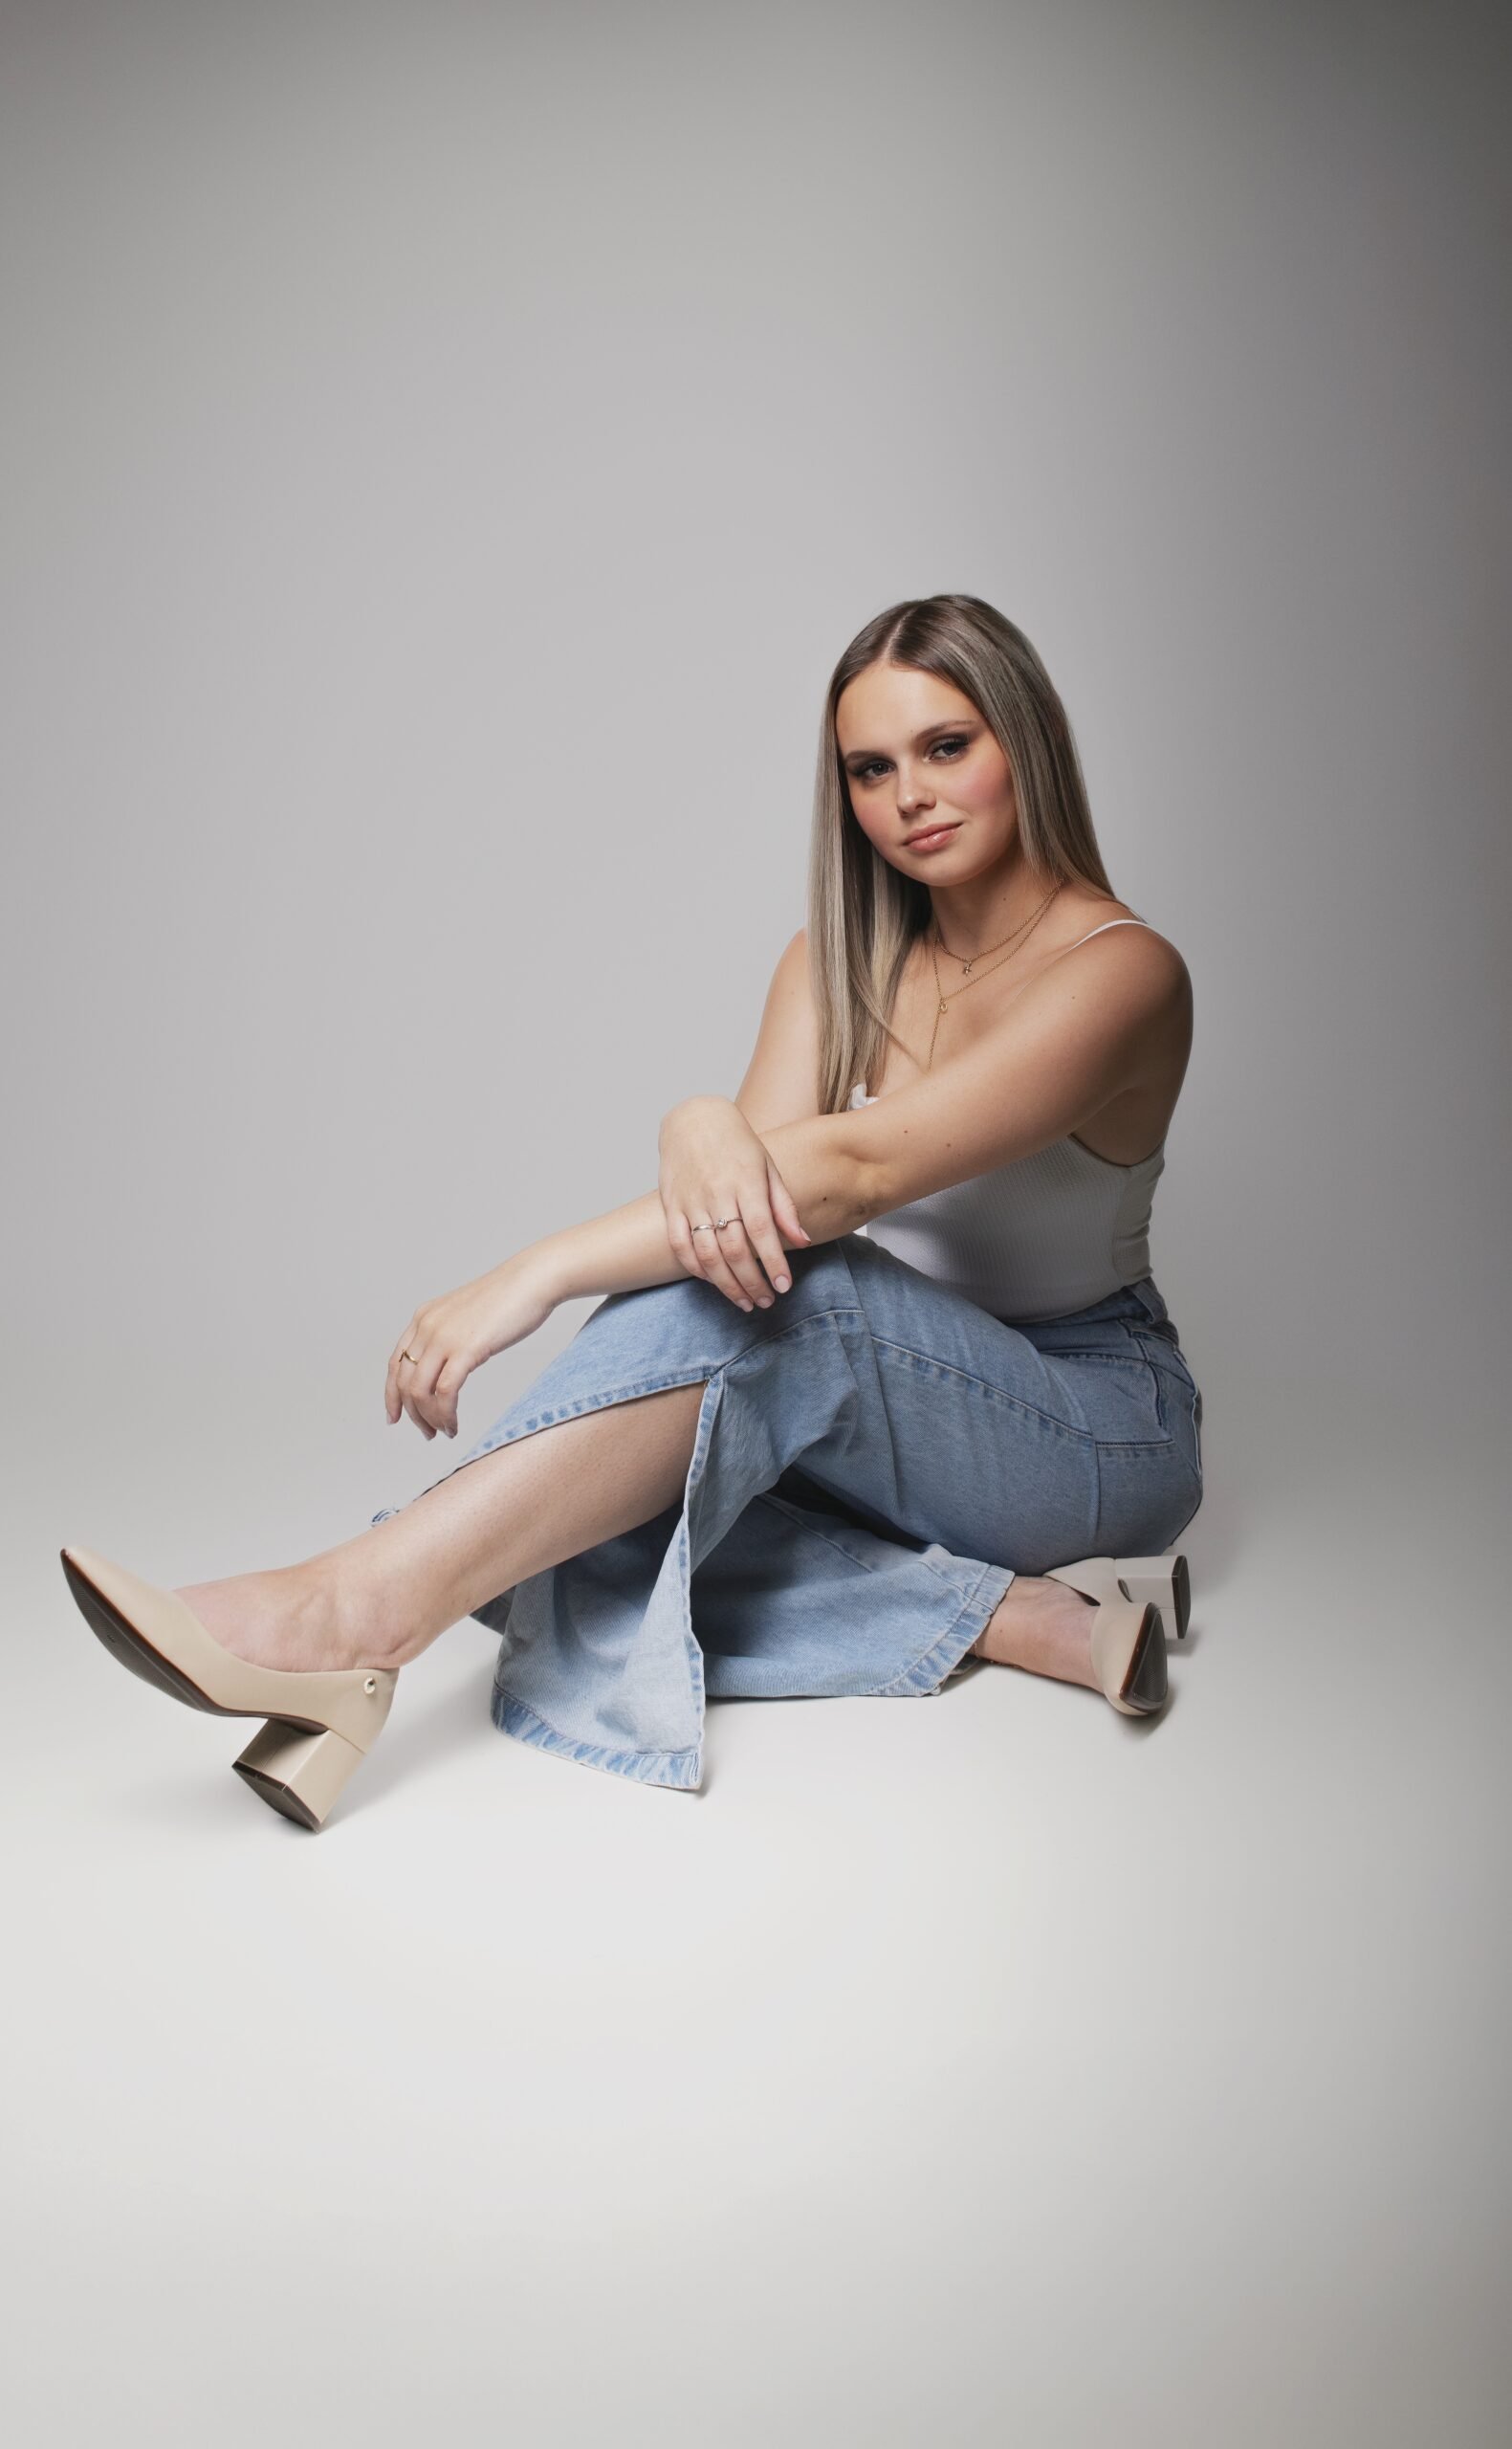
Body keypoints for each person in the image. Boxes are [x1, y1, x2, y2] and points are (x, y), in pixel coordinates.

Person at [60, 593, 1204, 1827]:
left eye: (945, 747)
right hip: (891, 1432)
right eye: (871, 769)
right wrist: (697, 1123)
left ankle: (356, 1609)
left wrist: (535, 1271)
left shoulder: (1121, 972)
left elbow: (846, 1179)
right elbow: (733, 1225)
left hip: (1094, 1428)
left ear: (1025, 741)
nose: (910, 796)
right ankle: (1010, 1616)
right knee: (612, 1481)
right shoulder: (833, 962)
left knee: (799, 1297)